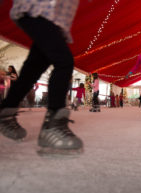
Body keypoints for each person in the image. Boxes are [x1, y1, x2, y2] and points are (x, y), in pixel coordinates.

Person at [0, 0, 83, 155]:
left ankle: (6, 112)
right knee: (64, 61)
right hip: (37, 9)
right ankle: (53, 126)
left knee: (33, 68)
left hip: (55, 20)